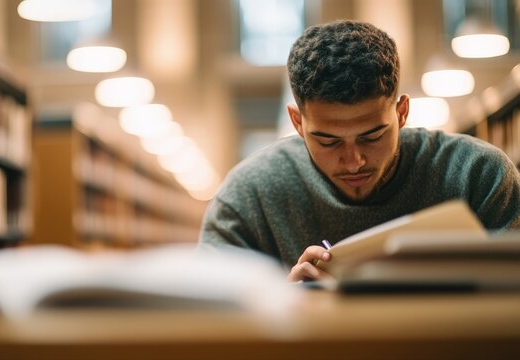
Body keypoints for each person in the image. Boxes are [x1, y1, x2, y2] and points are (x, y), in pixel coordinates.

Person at [198, 20, 520, 282]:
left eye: (372, 136)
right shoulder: (248, 197)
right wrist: (286, 307)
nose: (353, 162)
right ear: (297, 122)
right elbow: (203, 328)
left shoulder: (479, 176)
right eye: (328, 141)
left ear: (402, 113)